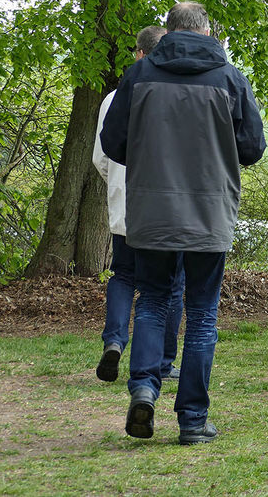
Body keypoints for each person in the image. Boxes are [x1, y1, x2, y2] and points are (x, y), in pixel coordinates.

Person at [101, 1, 266, 444]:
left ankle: (144, 388)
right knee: (202, 313)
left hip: (152, 209)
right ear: (206, 30)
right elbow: (252, 147)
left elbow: (113, 142)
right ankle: (192, 418)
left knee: (153, 300)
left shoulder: (139, 76)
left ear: (171, 30)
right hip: (210, 212)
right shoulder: (229, 78)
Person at [92, 26, 184, 383]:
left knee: (123, 275)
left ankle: (114, 340)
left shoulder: (112, 99)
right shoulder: (174, 94)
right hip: (164, 208)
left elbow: (101, 157)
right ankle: (162, 360)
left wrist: (115, 185)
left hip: (125, 205)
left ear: (139, 54)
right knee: (171, 285)